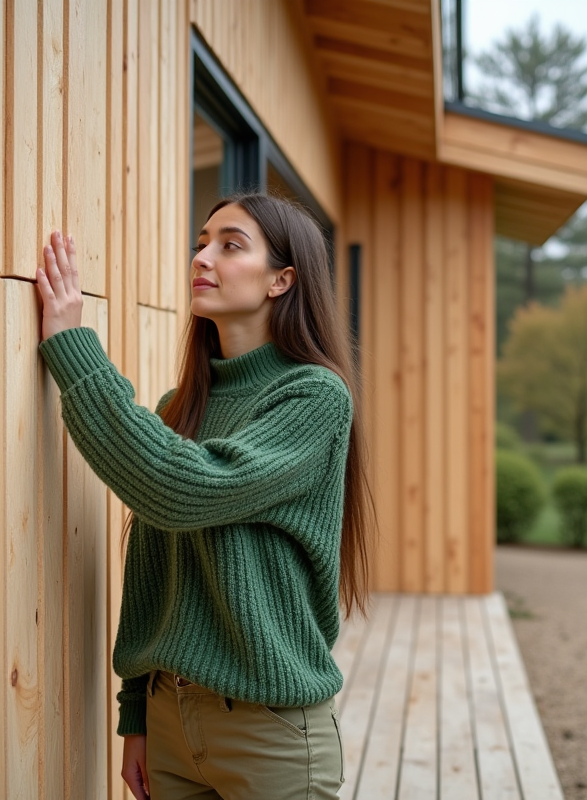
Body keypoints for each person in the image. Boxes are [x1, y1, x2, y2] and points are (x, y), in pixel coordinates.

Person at [35, 192, 377, 799]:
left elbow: (179, 486)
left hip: (267, 731)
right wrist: (138, 713)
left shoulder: (315, 399)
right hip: (171, 720)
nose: (202, 257)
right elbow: (150, 568)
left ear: (282, 280)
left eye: (230, 245)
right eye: (202, 242)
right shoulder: (180, 407)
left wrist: (72, 346)